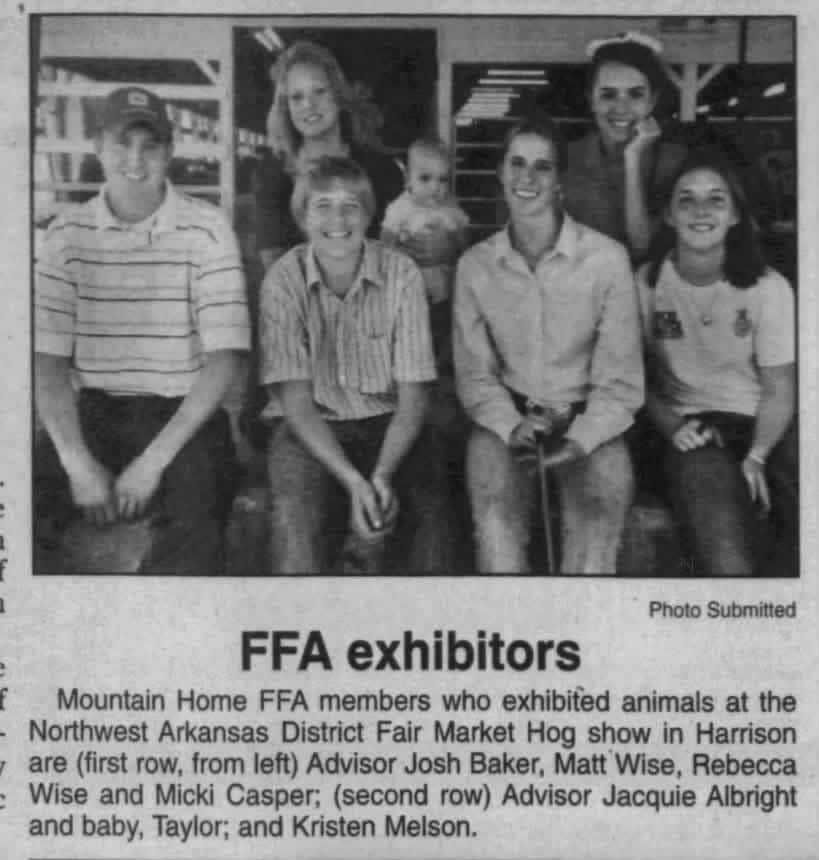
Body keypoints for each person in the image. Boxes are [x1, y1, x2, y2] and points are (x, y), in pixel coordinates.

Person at [34, 85, 251, 574]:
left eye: (150, 145)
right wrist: (76, 462)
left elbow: (224, 361)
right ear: (98, 147)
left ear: (169, 151)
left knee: (198, 530)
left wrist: (151, 464)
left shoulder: (209, 229)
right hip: (95, 409)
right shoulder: (65, 235)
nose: (135, 158)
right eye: (121, 142)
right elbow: (47, 361)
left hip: (182, 414)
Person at [453, 114, 644, 574]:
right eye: (517, 163)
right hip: (507, 420)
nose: (527, 177)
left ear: (560, 180)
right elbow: (476, 375)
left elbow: (619, 382)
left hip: (590, 420)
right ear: (499, 172)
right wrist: (509, 423)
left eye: (543, 166)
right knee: (497, 530)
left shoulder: (606, 259)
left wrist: (581, 439)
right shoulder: (475, 266)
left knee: (595, 535)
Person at [259, 156, 453, 573]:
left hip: (390, 420)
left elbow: (414, 396)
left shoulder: (401, 274)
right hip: (311, 425)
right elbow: (295, 401)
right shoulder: (283, 279)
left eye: (351, 206)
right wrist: (353, 482)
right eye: (322, 206)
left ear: (369, 215)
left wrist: (381, 474)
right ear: (302, 216)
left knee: (430, 501)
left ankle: (426, 625)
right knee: (294, 503)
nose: (337, 219)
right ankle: (298, 622)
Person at [637, 148, 797, 576]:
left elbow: (780, 388)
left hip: (764, 422)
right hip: (691, 425)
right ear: (669, 215)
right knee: (724, 547)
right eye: (686, 199)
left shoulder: (768, 287)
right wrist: (671, 425)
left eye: (716, 199)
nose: (701, 210)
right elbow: (632, 376)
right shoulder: (647, 283)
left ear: (735, 216)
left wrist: (758, 456)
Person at [255, 40, 404, 272]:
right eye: (296, 97)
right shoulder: (273, 173)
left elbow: (398, 256)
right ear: (286, 107)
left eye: (319, 91)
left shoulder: (381, 169)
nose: (308, 105)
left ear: (338, 94)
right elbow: (274, 266)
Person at [564, 31, 686, 261]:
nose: (621, 107)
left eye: (635, 95)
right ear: (591, 100)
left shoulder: (676, 163)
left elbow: (642, 247)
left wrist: (633, 158)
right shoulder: (567, 159)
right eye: (608, 95)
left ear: (652, 101)